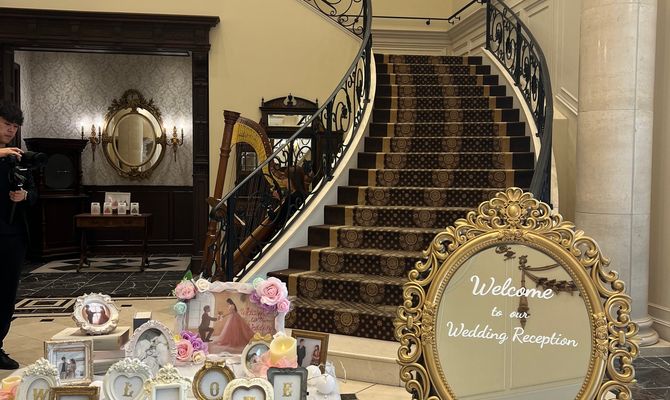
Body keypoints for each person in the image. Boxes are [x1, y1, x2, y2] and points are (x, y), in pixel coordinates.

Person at [0, 101, 34, 369]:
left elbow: (34, 193)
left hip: (13, 234)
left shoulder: (17, 157)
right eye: (6, 124)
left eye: (14, 126)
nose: (11, 130)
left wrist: (25, 195)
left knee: (6, 293)